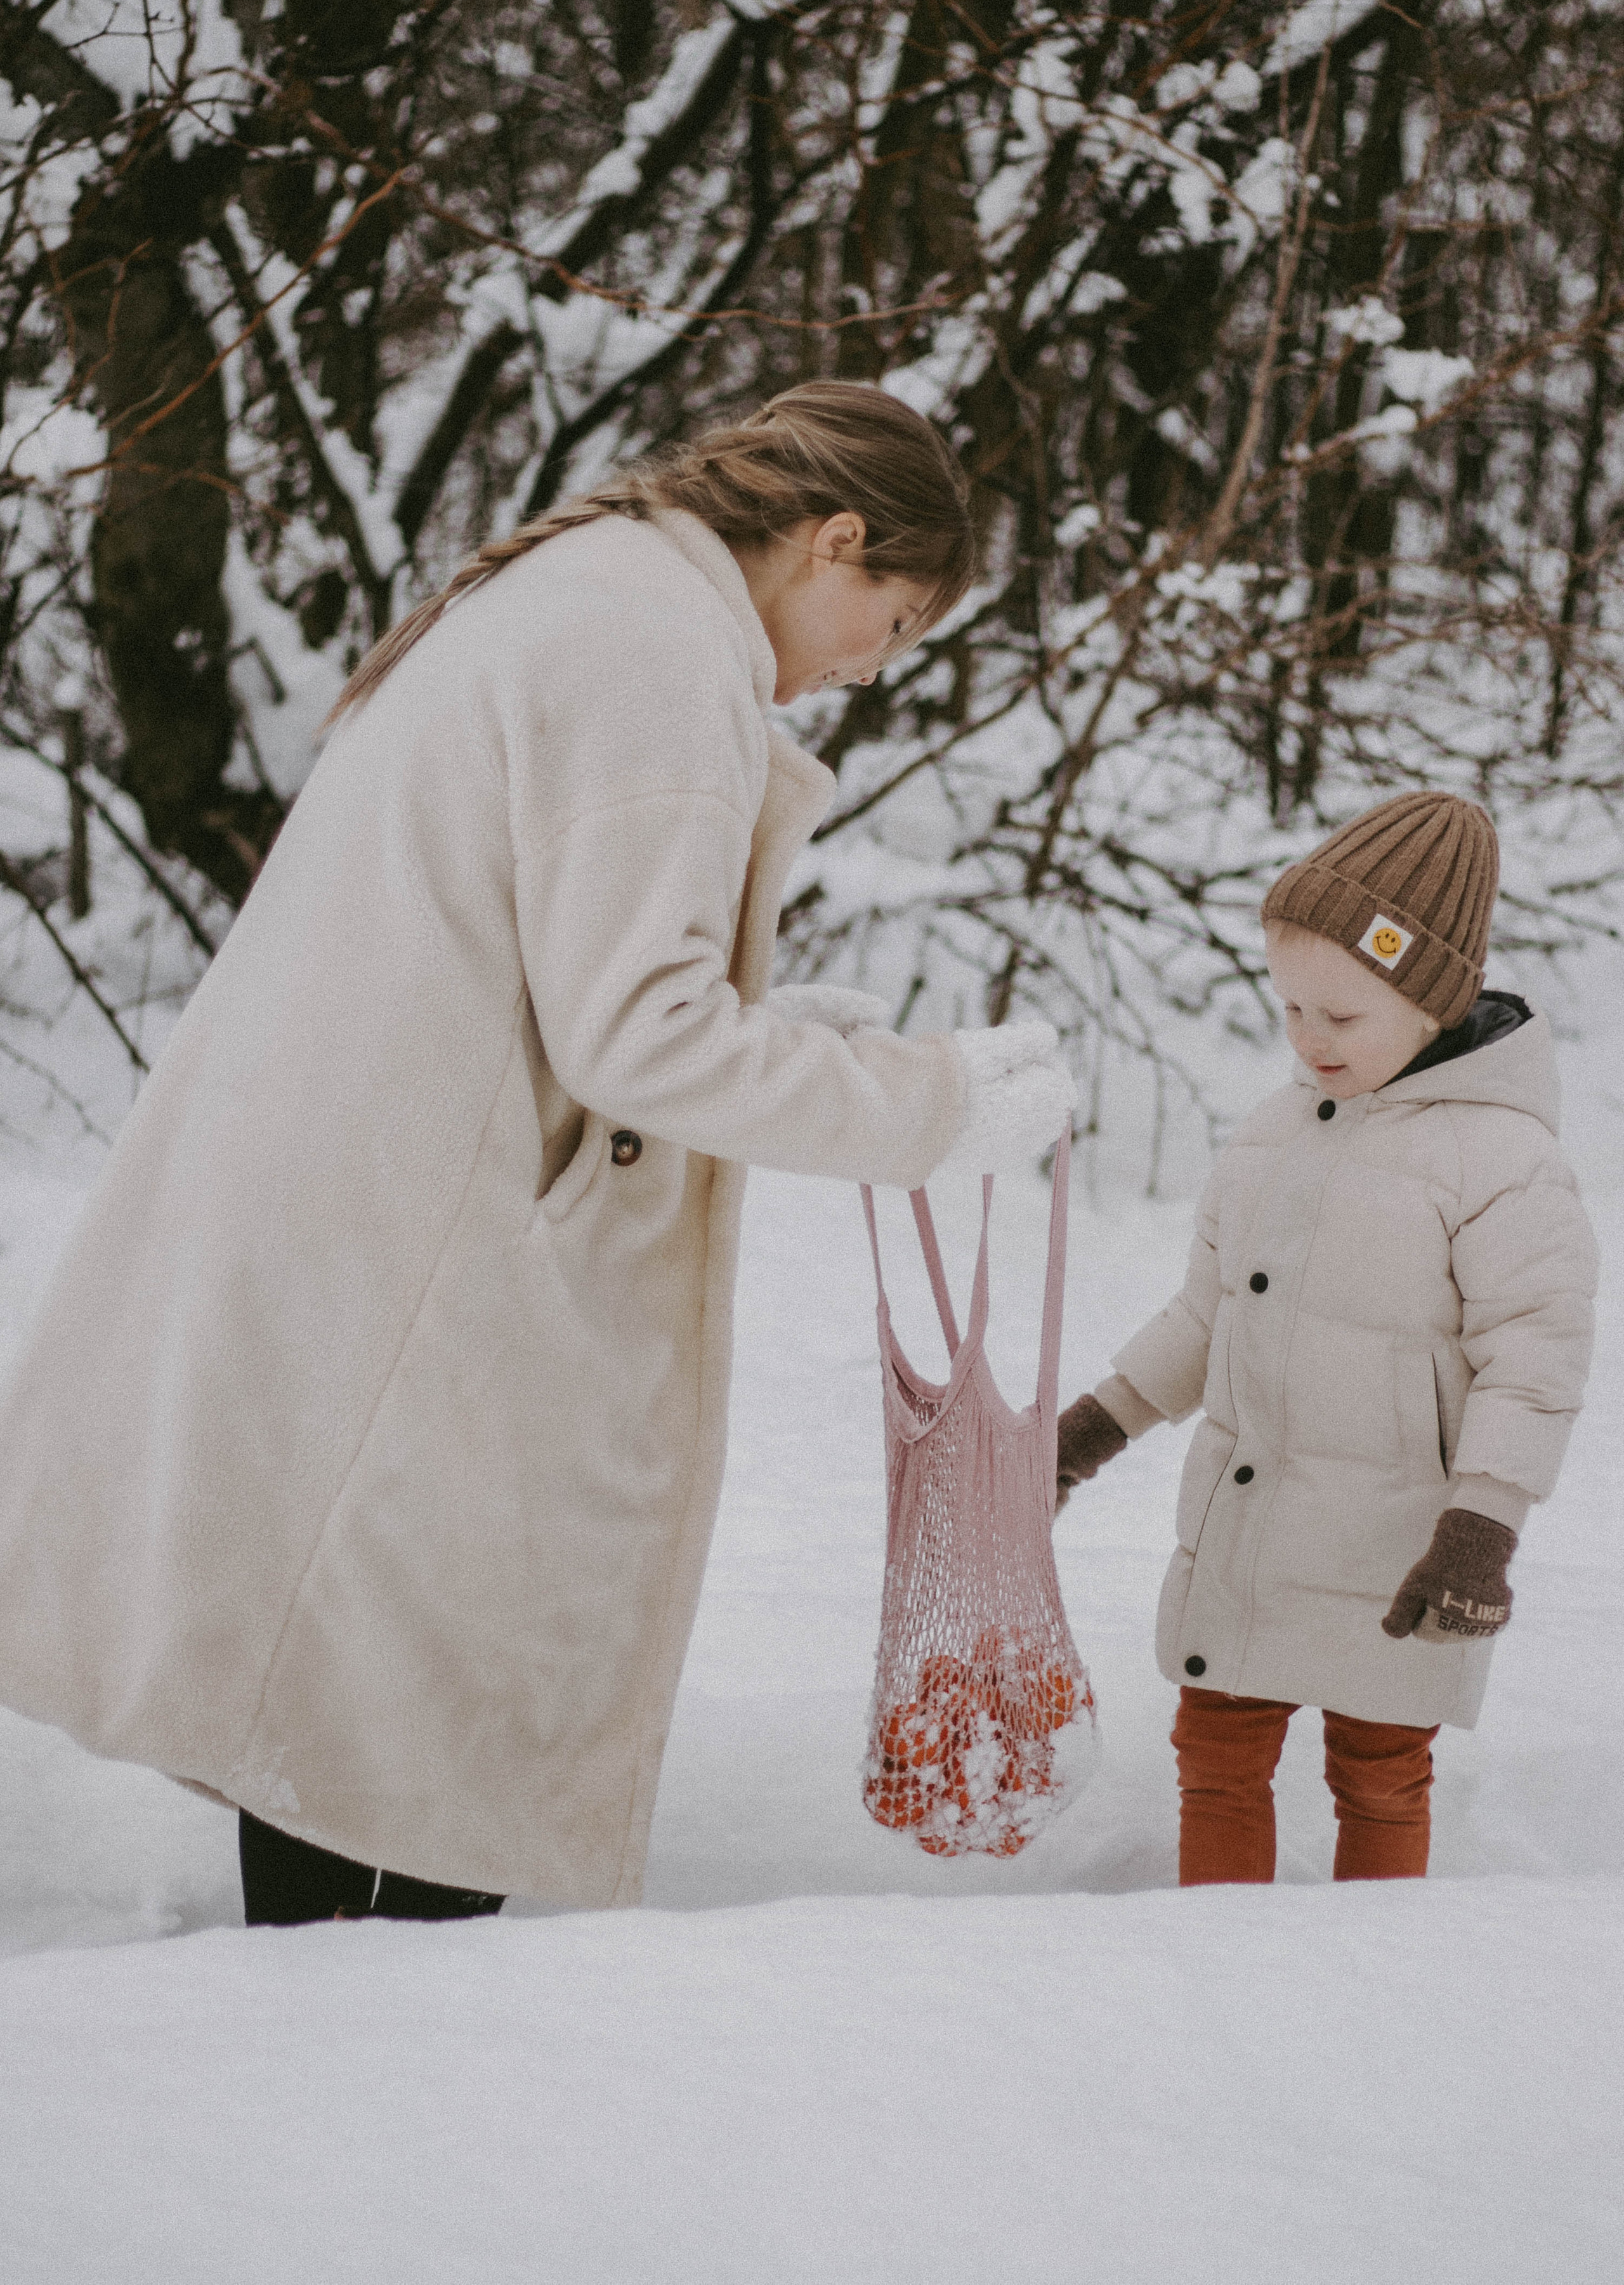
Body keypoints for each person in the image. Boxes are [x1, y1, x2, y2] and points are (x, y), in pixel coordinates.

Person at [0, 383, 1075, 1926]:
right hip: (427, 1238)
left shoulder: (590, 589)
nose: (863, 669)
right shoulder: (657, 655)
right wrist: (928, 1105)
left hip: (363, 1194)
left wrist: (803, 1040)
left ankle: (333, 2038)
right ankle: (394, 2073)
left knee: (350, 1685)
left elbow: (560, 963)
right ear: (832, 540)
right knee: (417, 1696)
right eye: (890, 622)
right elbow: (638, 1036)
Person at [1052, 792, 1596, 1884]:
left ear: (1433, 1000)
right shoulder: (1276, 1131)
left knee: (1383, 1768)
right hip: (1251, 1529)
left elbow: (1532, 1365)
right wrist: (1093, 1427)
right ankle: (1218, 1955)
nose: (1309, 1040)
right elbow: (1208, 1317)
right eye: (1290, 1009)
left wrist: (1481, 1531)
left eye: (1342, 1018)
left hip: (1400, 1545)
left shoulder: (1502, 1162)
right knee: (1214, 1753)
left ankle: (1372, 1977)